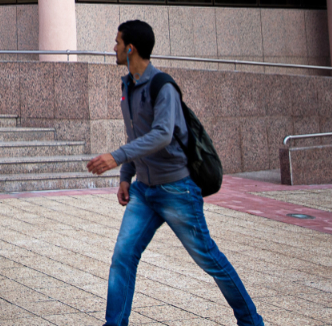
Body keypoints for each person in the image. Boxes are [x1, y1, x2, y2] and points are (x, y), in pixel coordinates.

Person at [87, 20, 263, 326]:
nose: (113, 48)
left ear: (131, 49)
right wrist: (126, 176)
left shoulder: (163, 87)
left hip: (176, 189)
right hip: (144, 191)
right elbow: (135, 135)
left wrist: (116, 158)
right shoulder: (127, 86)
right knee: (122, 258)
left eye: (117, 42)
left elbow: (162, 134)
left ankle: (251, 321)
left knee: (209, 259)